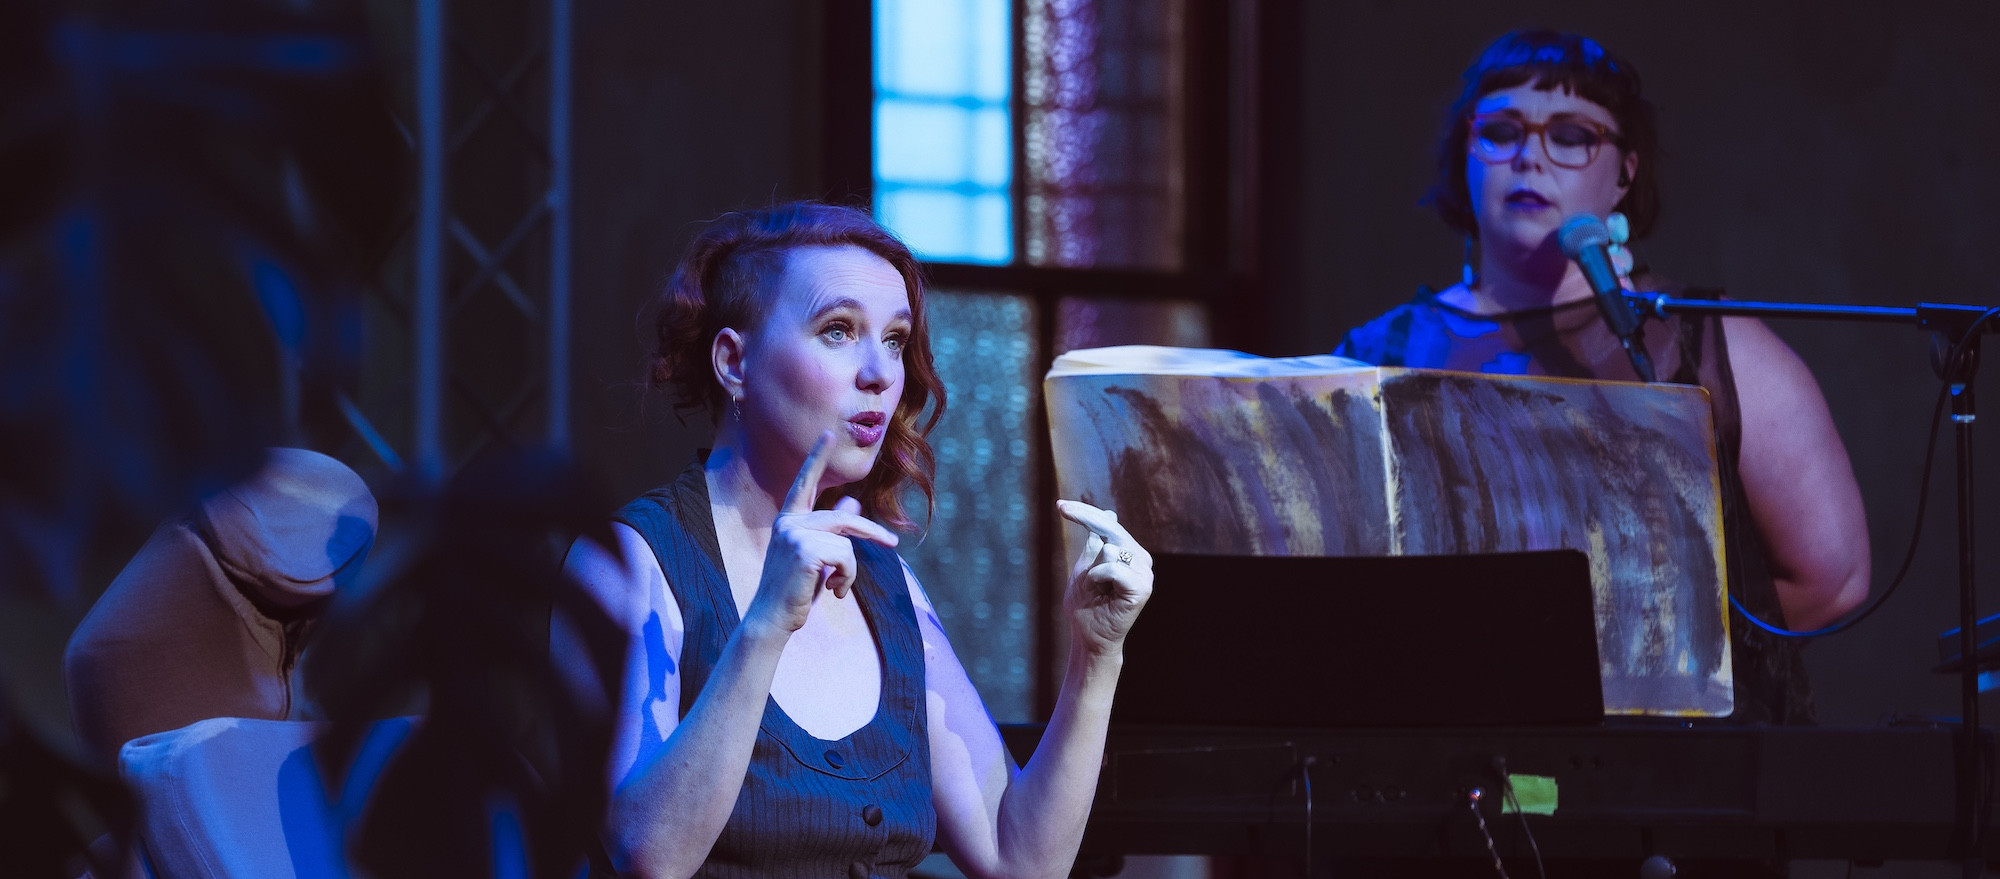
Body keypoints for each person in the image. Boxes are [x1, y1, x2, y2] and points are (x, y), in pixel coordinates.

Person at [555, 202, 1154, 879]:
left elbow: (1020, 859)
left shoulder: (885, 584)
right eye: (838, 330)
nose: (880, 373)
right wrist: (766, 625)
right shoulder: (637, 561)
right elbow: (646, 856)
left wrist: (1096, 656)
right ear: (733, 361)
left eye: (895, 339)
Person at [1335, 30, 1868, 725]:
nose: (1530, 156)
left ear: (1623, 172)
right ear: (1465, 154)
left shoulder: (1710, 341)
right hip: (1436, 753)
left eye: (1572, 134)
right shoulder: (1379, 352)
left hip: (1668, 774)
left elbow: (1834, 580)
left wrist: (1640, 661)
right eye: (1500, 131)